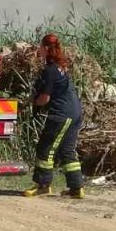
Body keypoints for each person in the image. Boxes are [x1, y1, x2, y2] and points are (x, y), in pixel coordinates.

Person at [23, 33, 85, 198]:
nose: (38, 50)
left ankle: (43, 185)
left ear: (45, 48)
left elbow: (45, 99)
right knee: (67, 149)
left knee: (45, 148)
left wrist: (32, 102)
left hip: (61, 114)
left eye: (40, 47)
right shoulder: (60, 67)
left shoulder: (50, 70)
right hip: (75, 112)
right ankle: (76, 189)